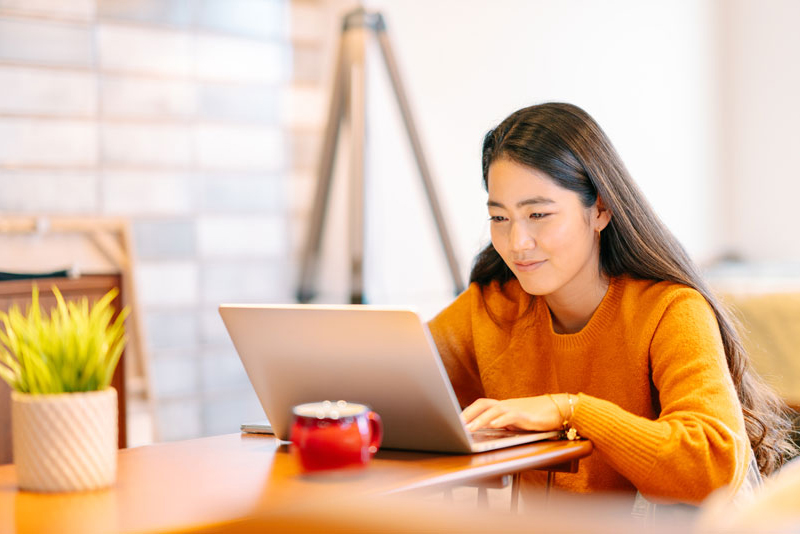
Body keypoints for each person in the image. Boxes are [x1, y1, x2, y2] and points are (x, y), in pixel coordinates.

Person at [427, 102, 795, 506]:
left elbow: (712, 464)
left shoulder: (670, 310)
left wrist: (572, 411)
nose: (517, 243)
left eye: (538, 214)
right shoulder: (493, 308)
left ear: (600, 208)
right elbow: (398, 385)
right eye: (500, 218)